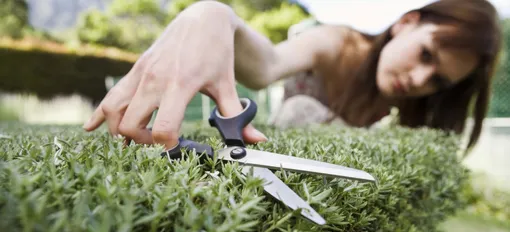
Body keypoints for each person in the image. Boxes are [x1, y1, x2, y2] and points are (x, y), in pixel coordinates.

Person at [82, 0, 502, 152]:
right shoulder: (335, 43)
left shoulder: (412, 101)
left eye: (438, 81)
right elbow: (265, 66)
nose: (418, 78)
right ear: (406, 22)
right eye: (426, 53)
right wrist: (212, 15)